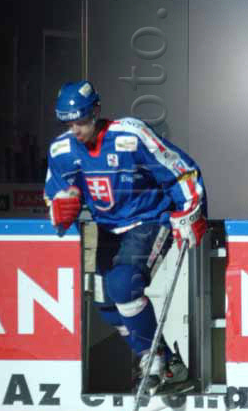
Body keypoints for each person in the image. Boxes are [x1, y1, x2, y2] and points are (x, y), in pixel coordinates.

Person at [44, 80, 207, 393]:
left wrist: (191, 210)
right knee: (105, 302)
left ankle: (151, 359)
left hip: (148, 219)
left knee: (123, 285)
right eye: (68, 123)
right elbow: (55, 194)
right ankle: (165, 362)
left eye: (81, 121)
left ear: (96, 111)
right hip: (106, 228)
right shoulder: (61, 150)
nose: (75, 129)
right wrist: (60, 208)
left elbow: (181, 170)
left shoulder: (130, 135)